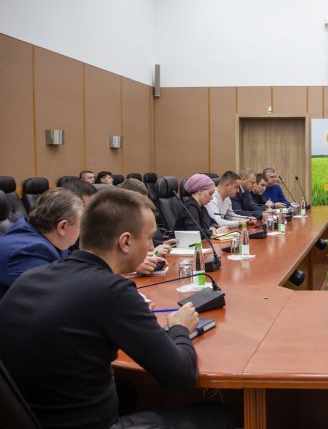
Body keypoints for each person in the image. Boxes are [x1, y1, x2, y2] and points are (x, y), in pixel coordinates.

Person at [0, 189, 233, 429]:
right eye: (150, 237)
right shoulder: (113, 291)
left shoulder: (31, 277)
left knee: (128, 391)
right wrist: (179, 328)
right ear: (125, 242)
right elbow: (182, 376)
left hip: (38, 417)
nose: (153, 245)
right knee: (221, 416)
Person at [0, 188, 84, 300]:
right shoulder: (29, 253)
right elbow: (53, 301)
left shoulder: (32, 231)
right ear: (62, 227)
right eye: (82, 223)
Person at [174, 174, 217, 238]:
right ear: (199, 191)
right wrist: (211, 232)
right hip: (181, 245)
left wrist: (212, 227)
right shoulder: (190, 208)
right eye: (210, 194)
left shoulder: (201, 206)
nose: (212, 198)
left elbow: (212, 222)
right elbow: (195, 232)